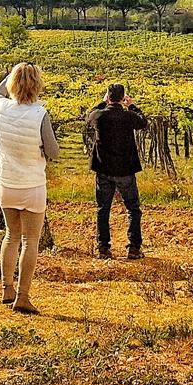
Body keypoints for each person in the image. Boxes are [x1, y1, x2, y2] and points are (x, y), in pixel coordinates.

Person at [0, 62, 59, 314]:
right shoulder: (40, 114)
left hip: (7, 183)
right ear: (37, 85)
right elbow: (53, 151)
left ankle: (6, 288)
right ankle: (23, 296)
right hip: (32, 185)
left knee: (10, 236)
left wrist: (14, 72)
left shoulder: (1, 106)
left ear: (11, 83)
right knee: (30, 241)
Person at [85, 82, 147, 259]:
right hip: (126, 169)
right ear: (122, 98)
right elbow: (143, 121)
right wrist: (132, 105)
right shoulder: (128, 116)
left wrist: (101, 103)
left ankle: (103, 248)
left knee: (103, 208)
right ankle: (134, 248)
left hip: (103, 169)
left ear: (108, 97)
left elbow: (88, 117)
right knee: (133, 209)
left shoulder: (99, 116)